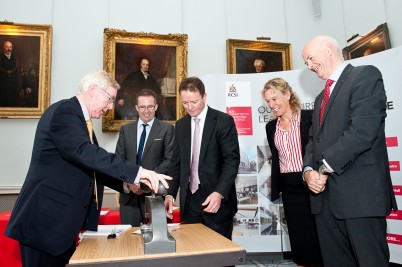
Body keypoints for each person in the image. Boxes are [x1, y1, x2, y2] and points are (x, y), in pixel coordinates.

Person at [5, 70, 171, 267]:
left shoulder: (82, 122)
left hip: (61, 226)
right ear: (93, 90)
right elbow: (86, 153)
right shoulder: (65, 112)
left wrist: (128, 185)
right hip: (45, 224)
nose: (110, 107)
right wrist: (138, 172)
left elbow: (93, 168)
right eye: (109, 99)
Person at [302, 35, 398, 267]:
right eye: (305, 63)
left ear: (328, 49)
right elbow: (312, 141)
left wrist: (323, 169)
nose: (309, 66)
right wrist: (307, 171)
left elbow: (362, 132)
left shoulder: (365, 75)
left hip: (360, 198)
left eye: (310, 58)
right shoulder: (319, 98)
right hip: (325, 203)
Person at [164, 76, 240, 240]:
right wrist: (170, 194)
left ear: (204, 96)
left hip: (216, 201)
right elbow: (177, 164)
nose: (190, 107)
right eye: (185, 103)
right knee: (193, 254)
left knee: (219, 256)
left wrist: (219, 192)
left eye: (194, 102)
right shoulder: (181, 125)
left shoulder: (223, 121)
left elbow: (231, 161)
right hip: (190, 202)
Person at [263, 78, 322, 267]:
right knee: (298, 234)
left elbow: (318, 149)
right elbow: (276, 157)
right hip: (289, 188)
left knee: (319, 231)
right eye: (268, 101)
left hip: (311, 182)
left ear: (287, 95)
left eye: (274, 98)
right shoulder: (271, 127)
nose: (272, 105)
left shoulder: (310, 117)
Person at [115, 89, 174, 226]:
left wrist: (145, 182)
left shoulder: (167, 129)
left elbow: (168, 160)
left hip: (155, 195)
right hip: (129, 196)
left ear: (156, 107)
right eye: (142, 107)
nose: (146, 111)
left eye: (150, 106)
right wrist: (131, 182)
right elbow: (119, 160)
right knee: (130, 243)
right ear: (136, 108)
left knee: (157, 242)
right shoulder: (126, 130)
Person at [0, 41, 19, 107]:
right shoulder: (0, 57)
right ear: (3, 48)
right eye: (7, 47)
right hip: (2, 87)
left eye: (10, 47)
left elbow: (18, 73)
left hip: (13, 86)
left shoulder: (15, 58)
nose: (9, 49)